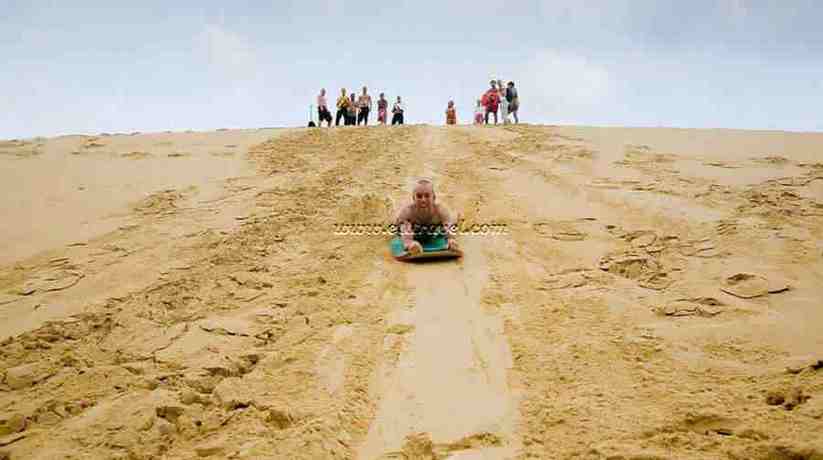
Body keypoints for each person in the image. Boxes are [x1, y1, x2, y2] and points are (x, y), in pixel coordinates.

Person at [394, 179, 459, 254]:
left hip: (432, 232)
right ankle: (410, 245)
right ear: (413, 198)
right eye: (419, 196)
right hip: (412, 232)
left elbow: (449, 226)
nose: (423, 200)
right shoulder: (408, 212)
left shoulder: (440, 211)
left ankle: (451, 242)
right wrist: (408, 242)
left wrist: (451, 239)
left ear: (434, 198)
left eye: (427, 196)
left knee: (452, 221)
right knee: (404, 224)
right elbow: (402, 228)